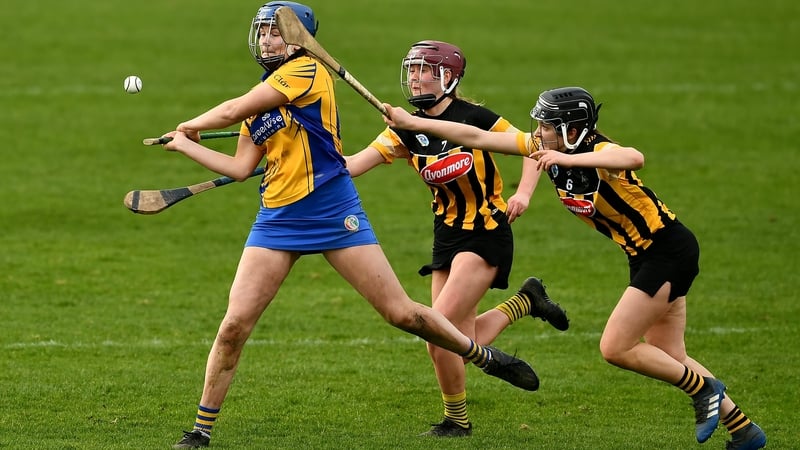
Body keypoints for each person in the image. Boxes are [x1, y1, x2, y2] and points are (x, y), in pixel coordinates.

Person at [160, 3, 539, 448]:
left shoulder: (305, 72)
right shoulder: (260, 99)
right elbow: (242, 167)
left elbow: (230, 109)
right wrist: (186, 145)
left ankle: (483, 355)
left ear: (299, 39)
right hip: (277, 220)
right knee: (233, 326)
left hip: (333, 210)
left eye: (276, 33)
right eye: (262, 33)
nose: (267, 41)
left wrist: (193, 122)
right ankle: (200, 431)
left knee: (401, 313)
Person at [381, 86, 767, 449]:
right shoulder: (543, 147)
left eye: (547, 126)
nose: (539, 133)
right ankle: (744, 430)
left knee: (615, 347)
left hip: (667, 252)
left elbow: (633, 157)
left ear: (571, 129)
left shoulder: (597, 151)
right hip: (643, 256)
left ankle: (703, 390)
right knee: (670, 354)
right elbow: (477, 137)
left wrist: (566, 157)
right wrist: (414, 123)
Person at [344, 40, 569, 437]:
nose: (414, 78)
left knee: (436, 334)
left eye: (424, 70)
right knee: (460, 340)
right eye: (411, 70)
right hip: (445, 237)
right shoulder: (403, 128)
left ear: (448, 76)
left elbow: (531, 147)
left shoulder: (476, 118)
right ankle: (526, 301)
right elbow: (353, 166)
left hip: (485, 234)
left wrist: (523, 193)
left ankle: (457, 422)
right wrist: (305, 157)